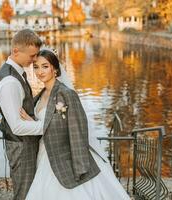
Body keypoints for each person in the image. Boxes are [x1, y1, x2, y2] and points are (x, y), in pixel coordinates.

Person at [20, 49, 131, 200]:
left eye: (45, 66)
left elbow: (77, 129)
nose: (40, 71)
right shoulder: (40, 96)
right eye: (36, 67)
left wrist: (79, 165)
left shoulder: (66, 94)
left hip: (65, 156)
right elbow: (46, 125)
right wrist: (31, 123)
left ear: (55, 69)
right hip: (45, 154)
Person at [0, 29, 43, 200]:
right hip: (21, 146)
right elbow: (17, 126)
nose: (35, 59)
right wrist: (46, 125)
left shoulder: (16, 73)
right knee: (24, 192)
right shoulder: (9, 82)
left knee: (30, 190)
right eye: (32, 55)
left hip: (24, 144)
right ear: (16, 51)